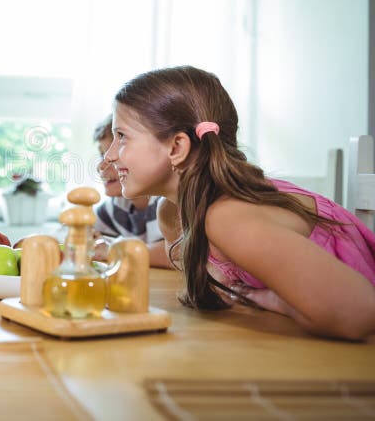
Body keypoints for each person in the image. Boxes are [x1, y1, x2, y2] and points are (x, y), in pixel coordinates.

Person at [103, 65, 375, 340]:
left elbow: (359, 313)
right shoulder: (173, 212)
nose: (109, 156)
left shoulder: (227, 216)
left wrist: (274, 300)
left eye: (122, 136)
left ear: (176, 148)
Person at [92, 115, 171, 268]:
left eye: (117, 153)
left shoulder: (164, 201)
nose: (101, 166)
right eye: (102, 155)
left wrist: (115, 251)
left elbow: (177, 254)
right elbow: (87, 228)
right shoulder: (117, 206)